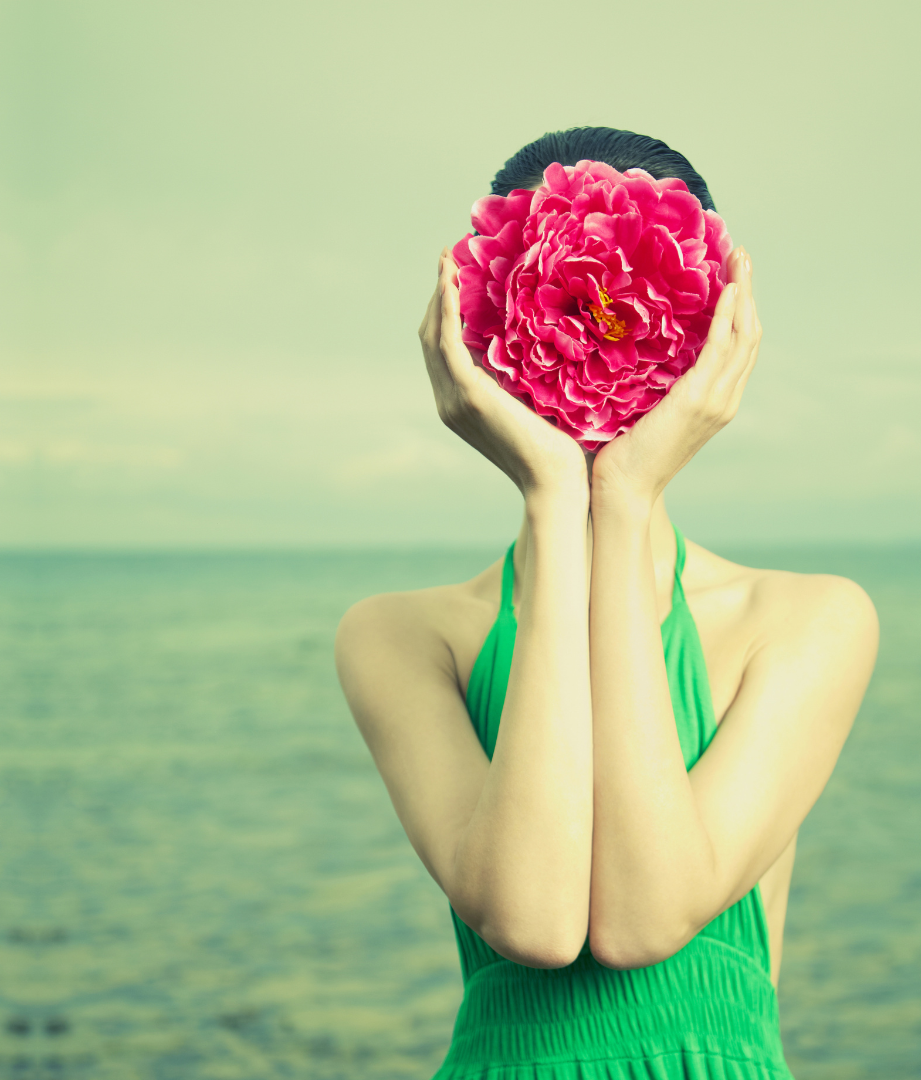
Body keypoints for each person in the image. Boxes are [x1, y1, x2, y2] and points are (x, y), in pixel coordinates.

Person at [334, 128, 879, 1078]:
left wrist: (622, 498)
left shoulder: (810, 622)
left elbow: (642, 919)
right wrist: (556, 497)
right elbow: (537, 922)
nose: (594, 332)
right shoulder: (401, 636)